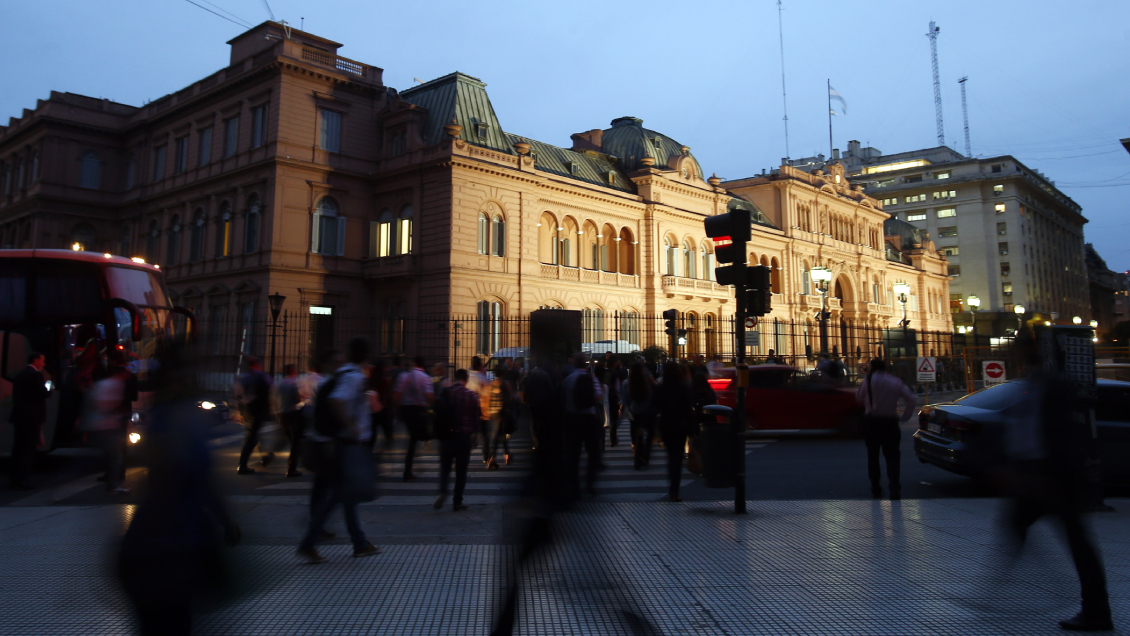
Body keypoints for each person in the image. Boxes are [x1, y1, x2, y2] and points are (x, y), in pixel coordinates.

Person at [118, 342, 242, 636]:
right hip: (173, 546)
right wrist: (224, 520)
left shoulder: (164, 413)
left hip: (154, 544)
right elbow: (191, 476)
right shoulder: (180, 417)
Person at [1001, 333, 1112, 632]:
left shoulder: (1050, 384)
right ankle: (1005, 587)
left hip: (1054, 478)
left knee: (1077, 542)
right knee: (1018, 524)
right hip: (1039, 475)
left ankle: (1095, 610)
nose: (1012, 354)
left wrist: (1046, 473)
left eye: (1016, 348)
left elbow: (1058, 434)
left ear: (1027, 351)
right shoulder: (1031, 383)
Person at [297, 339, 380, 563]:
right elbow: (337, 400)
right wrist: (352, 427)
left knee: (345, 497)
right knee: (339, 497)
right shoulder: (353, 377)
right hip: (347, 444)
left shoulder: (344, 374)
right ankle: (310, 542)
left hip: (340, 443)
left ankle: (359, 543)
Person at [855, 358, 917, 500]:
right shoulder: (895, 381)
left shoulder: (868, 380)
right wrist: (904, 417)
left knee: (873, 457)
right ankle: (895, 489)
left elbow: (858, 397)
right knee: (893, 458)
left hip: (872, 422)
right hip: (890, 422)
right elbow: (912, 399)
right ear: (885, 368)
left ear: (872, 368)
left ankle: (876, 488)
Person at [433, 369, 483, 511]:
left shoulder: (446, 391)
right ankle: (457, 501)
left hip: (447, 436)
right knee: (461, 470)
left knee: (445, 467)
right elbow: (476, 418)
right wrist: (475, 436)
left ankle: (443, 491)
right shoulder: (471, 396)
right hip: (464, 437)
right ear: (466, 379)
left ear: (455, 378)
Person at [79, 360, 132, 494]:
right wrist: (118, 410)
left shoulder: (102, 384)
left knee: (111, 455)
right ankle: (113, 486)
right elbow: (102, 405)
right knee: (115, 456)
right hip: (104, 426)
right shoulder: (115, 384)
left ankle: (113, 485)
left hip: (100, 426)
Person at [561, 352, 603, 499]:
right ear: (585, 364)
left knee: (573, 454)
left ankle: (574, 486)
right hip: (589, 419)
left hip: (572, 419)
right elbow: (598, 396)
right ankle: (590, 484)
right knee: (593, 452)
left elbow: (562, 397)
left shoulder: (568, 379)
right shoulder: (590, 378)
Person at [9, 352, 50, 489]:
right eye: (42, 361)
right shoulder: (36, 375)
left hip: (20, 416)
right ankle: (22, 479)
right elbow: (43, 394)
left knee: (19, 448)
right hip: (32, 417)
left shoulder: (21, 374)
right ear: (36, 360)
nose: (43, 364)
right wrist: (49, 387)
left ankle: (15, 478)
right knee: (28, 449)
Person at [656, 360, 695, 502]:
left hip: (666, 426)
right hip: (681, 426)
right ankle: (674, 491)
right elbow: (688, 410)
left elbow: (655, 407)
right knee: (677, 459)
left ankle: (672, 488)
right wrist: (692, 430)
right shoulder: (683, 387)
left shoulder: (661, 388)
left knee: (671, 456)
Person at [393, 355, 433, 481]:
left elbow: (397, 395)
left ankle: (410, 467)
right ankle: (408, 470)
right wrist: (432, 405)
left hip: (406, 409)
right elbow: (429, 396)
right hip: (418, 409)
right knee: (416, 438)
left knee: (413, 438)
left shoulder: (403, 376)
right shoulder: (425, 377)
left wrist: (397, 410)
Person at [236, 356, 275, 474]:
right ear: (257, 365)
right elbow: (271, 388)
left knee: (253, 434)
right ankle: (243, 465)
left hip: (248, 409)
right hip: (258, 409)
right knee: (252, 437)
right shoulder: (261, 376)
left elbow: (238, 394)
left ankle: (264, 457)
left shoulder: (244, 378)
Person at [624, 361, 657, 470]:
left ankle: (638, 459)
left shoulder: (629, 382)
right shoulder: (644, 381)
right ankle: (644, 456)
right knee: (649, 434)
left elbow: (629, 397)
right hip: (646, 411)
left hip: (635, 411)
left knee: (639, 435)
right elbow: (651, 394)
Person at [276, 364, 305, 477]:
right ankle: (292, 468)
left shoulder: (281, 383)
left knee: (288, 439)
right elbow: (297, 399)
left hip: (282, 414)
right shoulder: (294, 383)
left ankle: (272, 455)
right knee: (296, 442)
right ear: (293, 371)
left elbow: (275, 397)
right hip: (292, 414)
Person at [483, 371, 514, 469]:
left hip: (492, 412)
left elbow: (487, 398)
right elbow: (512, 396)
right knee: (498, 435)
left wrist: (486, 411)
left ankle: (504, 455)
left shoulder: (491, 384)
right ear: (503, 374)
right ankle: (493, 458)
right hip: (502, 412)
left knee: (499, 434)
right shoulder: (505, 383)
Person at [605, 358, 625, 446]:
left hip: (604, 396)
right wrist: (619, 397)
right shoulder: (615, 373)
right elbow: (617, 388)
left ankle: (601, 441)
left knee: (604, 418)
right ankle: (612, 439)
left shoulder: (604, 372)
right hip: (613, 398)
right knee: (614, 419)